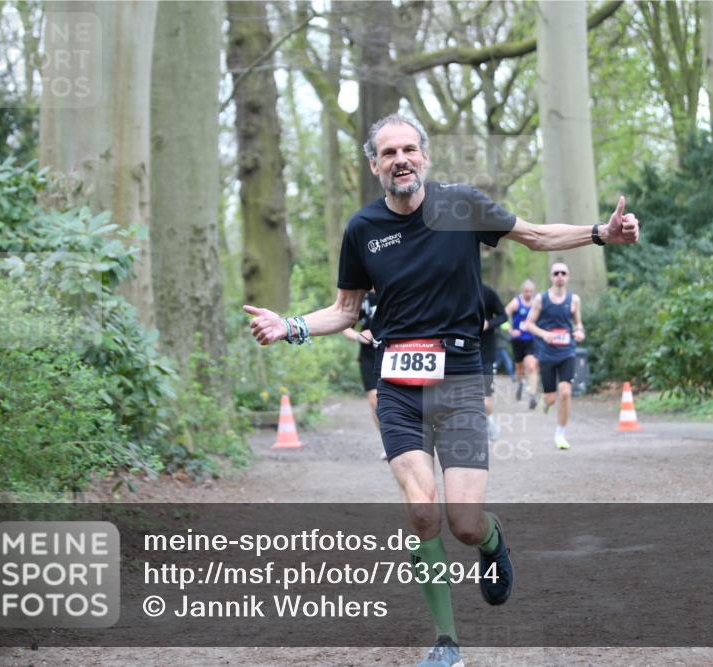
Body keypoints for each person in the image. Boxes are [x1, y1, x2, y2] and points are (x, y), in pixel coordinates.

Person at [243, 114, 639, 667]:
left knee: (464, 523)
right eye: (388, 153)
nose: (400, 159)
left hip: (459, 381)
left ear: (424, 157)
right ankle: (447, 642)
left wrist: (600, 233)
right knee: (423, 511)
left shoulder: (461, 206)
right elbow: (346, 310)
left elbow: (534, 236)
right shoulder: (362, 228)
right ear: (375, 165)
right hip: (398, 388)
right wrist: (291, 326)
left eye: (409, 149)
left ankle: (493, 542)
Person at [522, 262, 583, 450]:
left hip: (567, 352)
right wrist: (544, 334)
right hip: (547, 354)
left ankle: (560, 434)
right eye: (556, 273)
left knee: (565, 391)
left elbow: (578, 324)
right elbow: (528, 324)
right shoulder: (541, 299)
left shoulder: (574, 300)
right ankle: (546, 401)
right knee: (550, 399)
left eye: (563, 273)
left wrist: (579, 332)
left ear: (568, 276)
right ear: (551, 277)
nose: (560, 276)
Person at [341, 289, 387, 460]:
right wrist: (359, 336)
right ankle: (388, 443)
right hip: (369, 356)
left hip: (393, 353)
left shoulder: (392, 288)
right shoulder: (361, 297)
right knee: (375, 400)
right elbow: (344, 326)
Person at [504, 279, 540, 409]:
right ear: (522, 291)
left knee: (531, 366)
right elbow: (502, 317)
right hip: (518, 340)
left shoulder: (537, 303)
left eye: (531, 291)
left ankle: (533, 395)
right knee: (519, 368)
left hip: (531, 340)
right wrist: (510, 330)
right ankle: (520, 382)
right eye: (526, 291)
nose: (528, 293)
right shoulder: (516, 302)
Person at [480, 283, 508, 441]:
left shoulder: (487, 292)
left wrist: (488, 324)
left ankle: (490, 422)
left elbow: (504, 316)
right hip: (461, 353)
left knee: (485, 400)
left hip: (485, 353)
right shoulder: (457, 290)